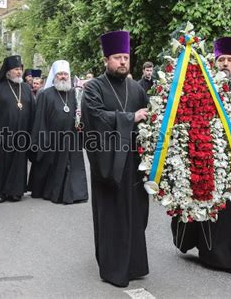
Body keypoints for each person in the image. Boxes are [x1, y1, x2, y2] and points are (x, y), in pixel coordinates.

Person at [171, 37, 231, 274]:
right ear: (215, 62)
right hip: (209, 161)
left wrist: (230, 131)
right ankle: (211, 253)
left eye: (230, 60)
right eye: (221, 59)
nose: (225, 64)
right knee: (210, 209)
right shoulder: (205, 87)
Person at [81, 31, 149, 287]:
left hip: (134, 163)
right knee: (112, 216)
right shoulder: (93, 88)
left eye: (126, 57)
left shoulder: (136, 88)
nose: (123, 62)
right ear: (106, 60)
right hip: (109, 165)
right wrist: (130, 118)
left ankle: (134, 265)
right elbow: (95, 118)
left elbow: (148, 120)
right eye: (117, 57)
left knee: (135, 214)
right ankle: (113, 269)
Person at [29, 60, 88, 204]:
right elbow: (40, 119)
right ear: (55, 76)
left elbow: (80, 114)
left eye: (65, 74)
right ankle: (53, 192)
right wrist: (42, 139)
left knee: (73, 166)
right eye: (60, 74)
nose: (63, 77)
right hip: (53, 139)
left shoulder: (74, 93)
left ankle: (76, 193)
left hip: (72, 137)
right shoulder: (45, 94)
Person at [0, 55, 35, 203]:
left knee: (19, 163)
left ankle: (16, 191)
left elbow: (33, 111)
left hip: (22, 135)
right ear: (8, 71)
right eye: (15, 69)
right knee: (2, 164)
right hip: (2, 135)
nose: (18, 72)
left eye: (20, 69)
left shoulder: (26, 88)